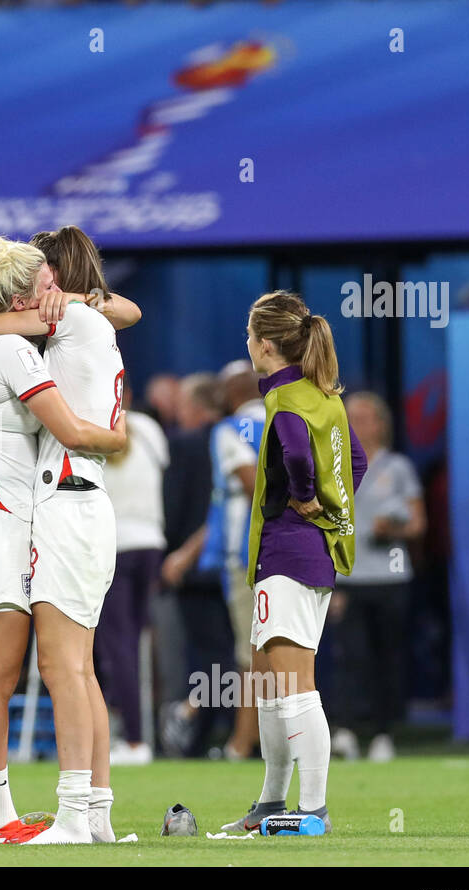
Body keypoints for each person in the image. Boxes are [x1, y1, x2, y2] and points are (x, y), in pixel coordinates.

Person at [0, 225, 135, 844]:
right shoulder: (59, 328)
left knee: (60, 669)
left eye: (49, 275)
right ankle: (90, 814)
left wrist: (113, 437)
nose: (45, 288)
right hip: (64, 505)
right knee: (72, 669)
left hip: (66, 500)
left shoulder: (68, 321)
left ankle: (71, 816)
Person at [220, 291, 367, 835]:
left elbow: (299, 453)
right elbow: (356, 461)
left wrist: (306, 498)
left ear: (265, 344)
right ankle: (270, 802)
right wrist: (330, 507)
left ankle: (312, 810)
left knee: (293, 683)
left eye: (249, 337)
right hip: (313, 553)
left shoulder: (284, 400)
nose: (248, 346)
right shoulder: (324, 396)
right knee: (271, 682)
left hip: (287, 551)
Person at [328, 392, 425, 762]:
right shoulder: (335, 465)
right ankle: (348, 730)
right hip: (349, 578)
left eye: (365, 417)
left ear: (381, 423)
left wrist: (392, 530)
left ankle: (384, 733)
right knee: (350, 657)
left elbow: (418, 523)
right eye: (351, 417)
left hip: (390, 577)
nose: (357, 424)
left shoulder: (397, 468)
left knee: (388, 657)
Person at [158, 373, 232, 757]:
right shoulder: (236, 437)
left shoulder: (185, 445)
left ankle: (193, 720)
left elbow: (172, 508)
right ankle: (220, 737)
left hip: (196, 568)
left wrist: (174, 553)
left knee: (212, 655)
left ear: (197, 407)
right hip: (236, 564)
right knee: (232, 653)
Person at [98, 379, 169, 765]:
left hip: (115, 547)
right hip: (151, 546)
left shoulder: (89, 428)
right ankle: (134, 733)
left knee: (119, 645)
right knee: (137, 642)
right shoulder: (151, 430)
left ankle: (136, 740)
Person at [209, 360, 266, 760]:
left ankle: (242, 743)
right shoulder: (287, 418)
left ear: (230, 394)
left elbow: (253, 486)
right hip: (295, 552)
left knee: (252, 653)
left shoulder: (230, 431)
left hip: (250, 553)